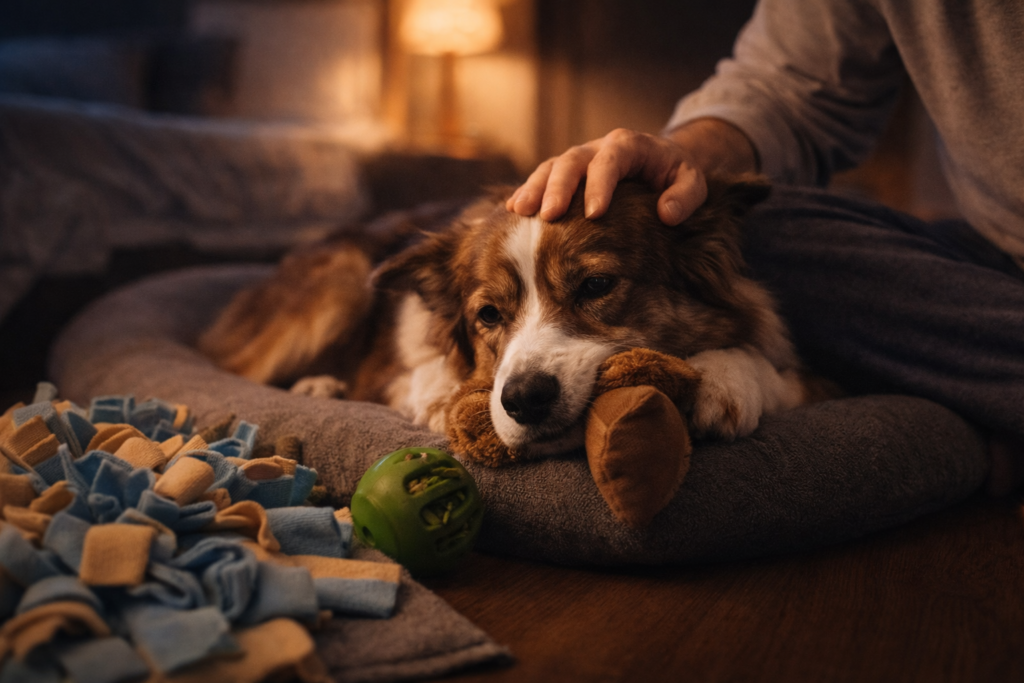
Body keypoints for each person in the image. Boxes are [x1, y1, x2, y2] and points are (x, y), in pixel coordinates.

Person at [506, 0, 1024, 494]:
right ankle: (981, 400)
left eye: (594, 285)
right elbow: (788, 88)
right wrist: (680, 162)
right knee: (757, 225)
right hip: (988, 252)